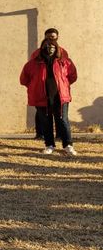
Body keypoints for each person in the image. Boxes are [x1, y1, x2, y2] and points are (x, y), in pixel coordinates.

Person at [19, 28, 78, 156]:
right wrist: (36, 86)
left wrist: (63, 85)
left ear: (56, 47)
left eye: (52, 45)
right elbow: (24, 79)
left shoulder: (65, 61)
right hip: (41, 96)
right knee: (46, 121)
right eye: (47, 45)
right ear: (42, 47)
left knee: (63, 120)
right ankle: (49, 145)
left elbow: (72, 76)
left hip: (60, 96)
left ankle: (68, 145)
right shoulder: (33, 62)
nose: (50, 47)